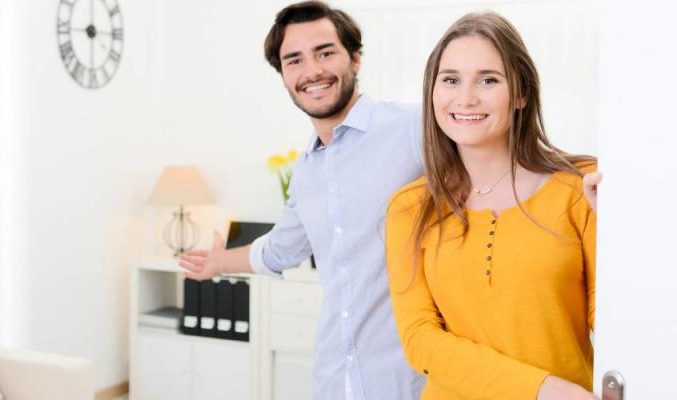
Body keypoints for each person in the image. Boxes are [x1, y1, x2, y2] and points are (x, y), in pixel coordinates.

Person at [179, 1, 425, 398]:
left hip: (411, 379)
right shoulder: (308, 171)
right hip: (336, 377)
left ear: (356, 59)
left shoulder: (415, 128)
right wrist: (221, 261)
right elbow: (281, 249)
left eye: (325, 52)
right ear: (283, 76)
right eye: (294, 60)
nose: (312, 71)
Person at [385, 11, 601, 400]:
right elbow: (420, 341)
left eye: (488, 80)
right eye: (450, 80)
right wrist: (545, 390)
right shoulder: (410, 207)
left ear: (520, 93)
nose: (465, 98)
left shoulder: (580, 187)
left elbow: (620, 319)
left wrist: (629, 231)